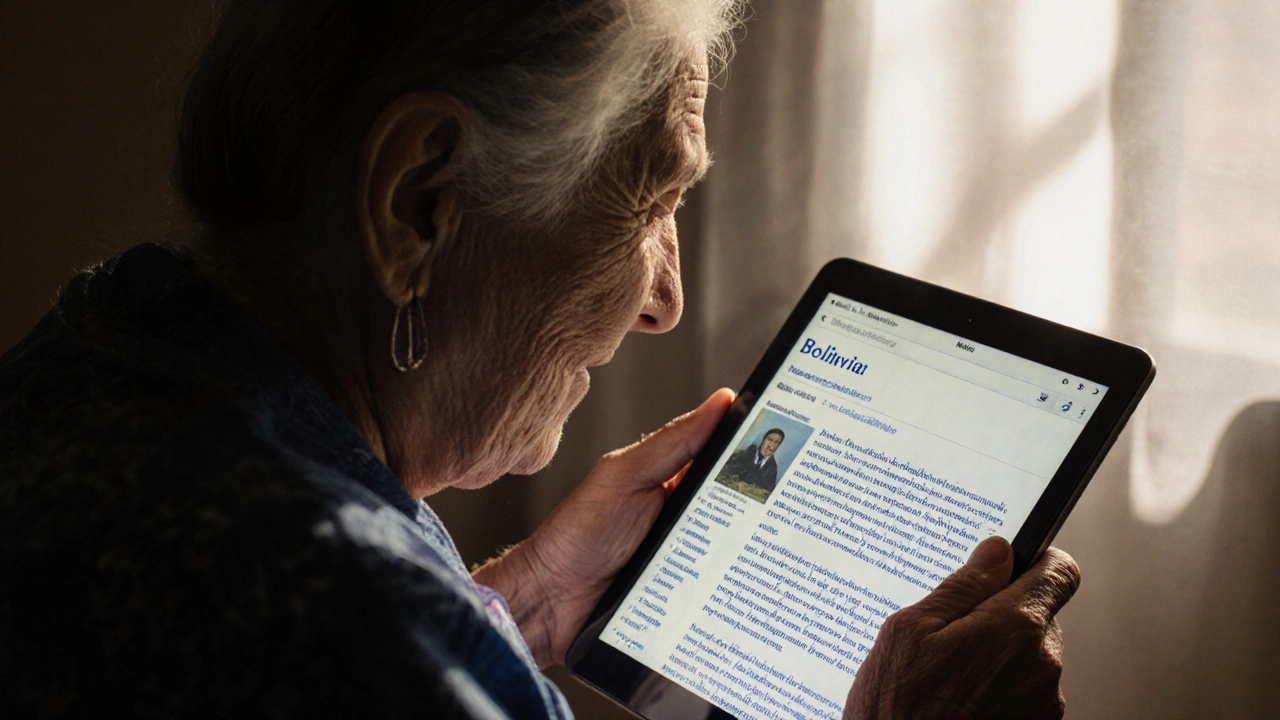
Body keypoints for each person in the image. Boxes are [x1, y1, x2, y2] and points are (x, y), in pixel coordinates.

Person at [0, 2, 1080, 718]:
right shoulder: (345, 623)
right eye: (650, 201)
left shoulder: (112, 336)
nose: (665, 301)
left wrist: (513, 605)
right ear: (418, 203)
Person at [722, 427, 785, 493]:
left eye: (776, 442)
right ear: (763, 439)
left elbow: (767, 492)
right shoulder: (742, 454)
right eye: (769, 439)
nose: (771, 445)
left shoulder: (772, 468)